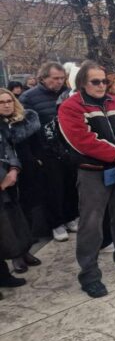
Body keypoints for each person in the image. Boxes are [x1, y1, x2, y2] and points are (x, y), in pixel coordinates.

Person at [58, 61, 115, 298]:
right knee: (91, 223)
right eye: (95, 81)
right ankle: (89, 274)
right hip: (93, 173)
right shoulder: (71, 107)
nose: (101, 85)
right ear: (82, 83)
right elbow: (83, 140)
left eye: (104, 81)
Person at [20, 62, 78, 241]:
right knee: (53, 188)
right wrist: (34, 155)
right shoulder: (29, 97)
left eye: (62, 78)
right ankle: (56, 223)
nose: (59, 81)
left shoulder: (67, 94)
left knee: (70, 185)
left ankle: (70, 217)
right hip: (45, 150)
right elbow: (25, 128)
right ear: (43, 78)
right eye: (55, 78)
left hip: (67, 147)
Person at [0, 89, 42, 275]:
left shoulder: (25, 120)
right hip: (6, 175)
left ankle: (26, 250)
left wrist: (38, 161)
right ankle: (16, 254)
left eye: (9, 101)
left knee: (28, 210)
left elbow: (37, 145)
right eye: (2, 102)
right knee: (11, 216)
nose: (6, 105)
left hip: (28, 171)